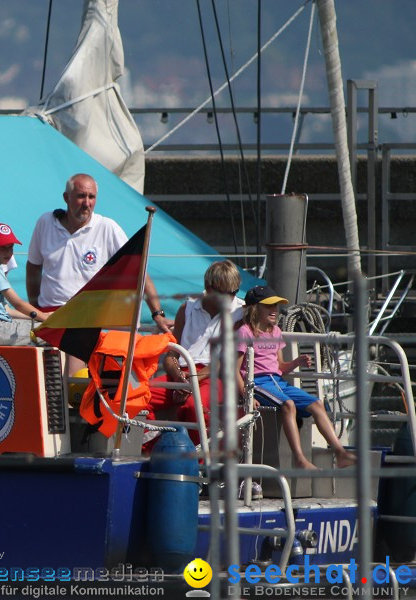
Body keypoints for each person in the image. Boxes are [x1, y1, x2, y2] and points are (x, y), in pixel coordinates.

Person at [26, 173, 170, 376]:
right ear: (66, 197)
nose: (86, 203)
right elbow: (33, 266)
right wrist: (35, 307)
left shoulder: (107, 228)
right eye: (80, 196)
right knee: (43, 379)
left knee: (72, 379)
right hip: (51, 317)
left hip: (86, 319)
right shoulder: (45, 222)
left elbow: (139, 272)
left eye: (91, 197)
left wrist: (157, 314)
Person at [236, 285, 356, 470]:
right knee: (288, 405)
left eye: (276, 306)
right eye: (269, 306)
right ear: (255, 308)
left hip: (277, 382)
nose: (275, 310)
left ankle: (340, 453)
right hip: (258, 382)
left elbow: (280, 367)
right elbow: (234, 369)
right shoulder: (245, 332)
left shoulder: (275, 331)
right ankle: (300, 459)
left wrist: (297, 362)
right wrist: (246, 395)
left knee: (317, 403)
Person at [142, 260, 244, 449]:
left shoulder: (241, 312)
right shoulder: (186, 309)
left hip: (216, 376)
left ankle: (200, 462)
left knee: (191, 404)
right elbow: (172, 353)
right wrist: (181, 379)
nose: (230, 298)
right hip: (182, 374)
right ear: (208, 288)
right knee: (137, 394)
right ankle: (154, 450)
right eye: (224, 293)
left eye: (234, 292)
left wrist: (189, 382)